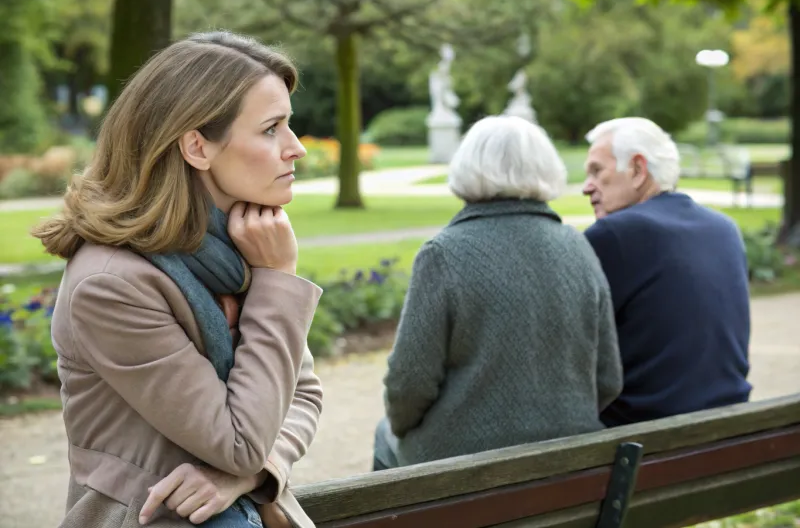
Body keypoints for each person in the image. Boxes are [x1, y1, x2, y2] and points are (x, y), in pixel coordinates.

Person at [32, 31, 323, 528]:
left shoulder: (235, 247)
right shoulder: (112, 285)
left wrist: (246, 475)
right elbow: (240, 442)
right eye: (272, 128)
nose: (295, 148)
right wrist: (276, 280)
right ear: (196, 146)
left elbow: (301, 395)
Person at [372, 115, 623, 470]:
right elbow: (608, 378)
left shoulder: (443, 253)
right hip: (570, 464)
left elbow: (409, 383)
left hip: (465, 472)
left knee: (386, 436)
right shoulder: (578, 246)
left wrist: (403, 427)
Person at [581, 117, 752, 427]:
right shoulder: (724, 229)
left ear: (637, 169)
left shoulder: (613, 235)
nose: (586, 187)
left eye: (596, 171)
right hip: (728, 433)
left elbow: (569, 354)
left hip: (638, 447)